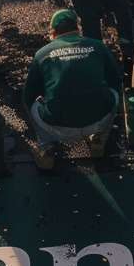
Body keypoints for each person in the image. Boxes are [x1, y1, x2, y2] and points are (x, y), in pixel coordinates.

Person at [23, 9, 123, 168]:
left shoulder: (42, 54)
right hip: (98, 120)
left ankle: (46, 149)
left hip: (58, 128)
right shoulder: (98, 46)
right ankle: (98, 138)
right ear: (78, 28)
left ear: (53, 33)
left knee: (33, 104)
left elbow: (28, 95)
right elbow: (116, 80)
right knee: (114, 94)